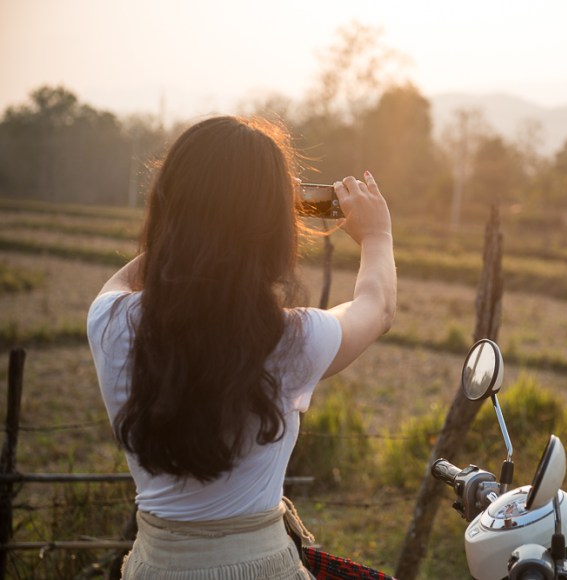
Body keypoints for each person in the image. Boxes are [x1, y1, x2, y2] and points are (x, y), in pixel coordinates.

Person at [87, 115, 396, 579]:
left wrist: (203, 218)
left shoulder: (110, 320)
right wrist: (377, 235)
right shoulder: (292, 339)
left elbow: (135, 275)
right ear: (271, 228)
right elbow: (378, 306)